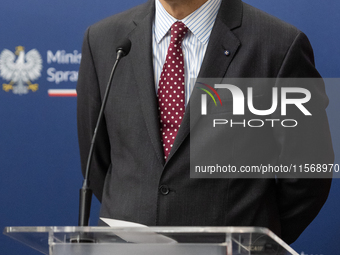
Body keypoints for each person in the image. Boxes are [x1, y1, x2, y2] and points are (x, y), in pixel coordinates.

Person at [77, 0, 333, 244]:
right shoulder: (102, 40)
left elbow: (308, 175)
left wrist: (258, 243)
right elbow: (97, 161)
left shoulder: (278, 45)